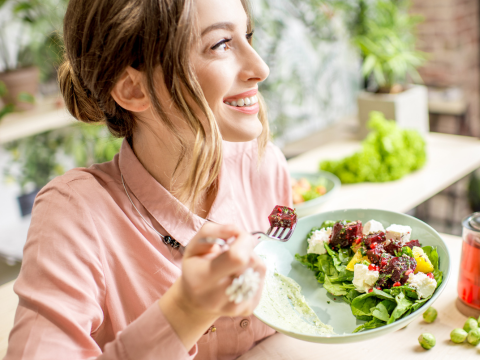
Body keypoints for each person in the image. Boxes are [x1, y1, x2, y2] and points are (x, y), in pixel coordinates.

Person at [5, 0, 291, 358]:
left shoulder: (264, 166)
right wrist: (186, 310)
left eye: (247, 35)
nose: (260, 68)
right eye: (221, 44)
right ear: (133, 90)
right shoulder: (74, 215)